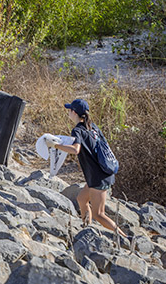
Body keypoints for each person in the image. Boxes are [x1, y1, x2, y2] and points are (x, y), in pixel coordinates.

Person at [45, 99, 127, 237]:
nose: (68, 112)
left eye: (69, 110)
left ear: (74, 112)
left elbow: (75, 149)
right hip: (101, 172)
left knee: (99, 214)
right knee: (82, 199)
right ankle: (86, 228)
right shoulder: (92, 126)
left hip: (98, 177)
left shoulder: (77, 130)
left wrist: (54, 145)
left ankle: (124, 238)